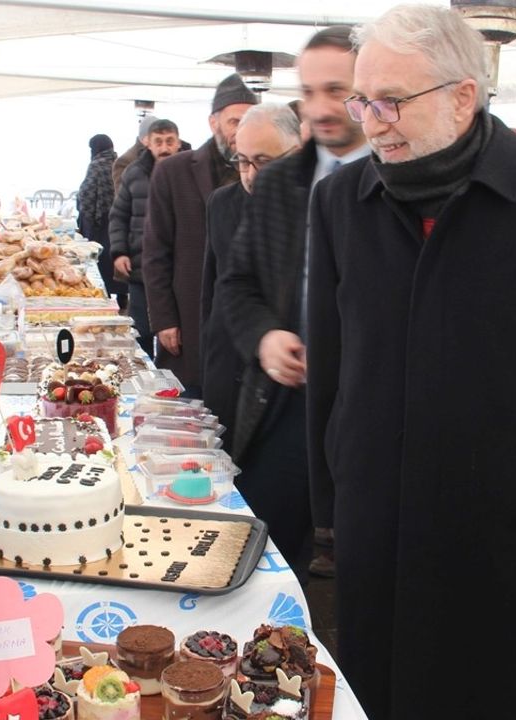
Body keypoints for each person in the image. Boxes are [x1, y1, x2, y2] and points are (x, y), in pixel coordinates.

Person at [307, 7, 516, 717]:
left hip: (502, 523)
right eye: (363, 100)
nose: (373, 120)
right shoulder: (340, 201)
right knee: (382, 688)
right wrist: (330, 508)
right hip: (377, 516)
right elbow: (330, 365)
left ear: (462, 96)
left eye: (392, 100)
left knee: (495, 691)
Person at [216, 25, 371, 583]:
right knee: (259, 552)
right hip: (288, 403)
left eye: (337, 90)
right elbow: (236, 284)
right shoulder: (282, 183)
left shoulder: (405, 177)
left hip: (374, 411)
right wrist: (265, 336)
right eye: (309, 92)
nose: (321, 108)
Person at [144, 74, 259, 395]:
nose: (241, 130)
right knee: (190, 409)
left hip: (244, 317)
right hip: (190, 311)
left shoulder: (266, 170)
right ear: (214, 122)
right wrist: (164, 318)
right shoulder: (173, 171)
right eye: (234, 121)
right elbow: (156, 251)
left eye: (249, 120)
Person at [201, 103, 302, 460]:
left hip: (284, 380)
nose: (251, 173)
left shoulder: (319, 205)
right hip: (227, 368)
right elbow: (213, 291)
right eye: (242, 161)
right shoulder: (222, 204)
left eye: (264, 160)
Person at [110, 119, 181, 359]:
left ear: (178, 143)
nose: (164, 148)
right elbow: (119, 215)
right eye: (158, 142)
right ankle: (145, 380)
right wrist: (119, 252)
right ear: (148, 143)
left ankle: (173, 384)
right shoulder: (134, 172)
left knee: (175, 332)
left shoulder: (189, 172)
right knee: (141, 329)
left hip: (179, 269)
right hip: (141, 267)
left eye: (169, 141)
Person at [78, 133, 124, 307]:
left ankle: (103, 297)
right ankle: (121, 295)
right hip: (120, 220)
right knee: (118, 256)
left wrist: (85, 220)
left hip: (103, 221)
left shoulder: (96, 165)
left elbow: (86, 194)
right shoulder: (121, 163)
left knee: (102, 261)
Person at [113, 115, 158, 191]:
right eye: (157, 138)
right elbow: (121, 196)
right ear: (146, 138)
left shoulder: (159, 154)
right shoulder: (125, 161)